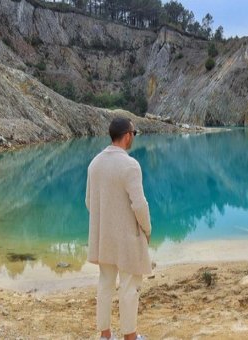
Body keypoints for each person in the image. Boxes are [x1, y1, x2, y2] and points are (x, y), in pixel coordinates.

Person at [86, 117, 151, 340]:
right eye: (134, 133)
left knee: (105, 284)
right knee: (129, 286)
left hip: (104, 236)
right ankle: (130, 336)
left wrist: (107, 219)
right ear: (127, 135)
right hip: (126, 238)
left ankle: (105, 335)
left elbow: (88, 202)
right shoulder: (130, 165)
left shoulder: (94, 163)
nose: (133, 136)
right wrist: (147, 229)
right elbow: (140, 205)